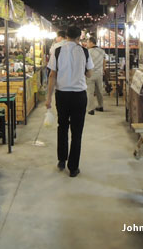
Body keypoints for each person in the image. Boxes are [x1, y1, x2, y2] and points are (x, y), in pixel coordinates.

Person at [46, 25, 93, 178]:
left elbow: (52, 74)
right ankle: (73, 168)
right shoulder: (84, 51)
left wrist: (48, 98)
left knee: (62, 126)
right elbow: (90, 73)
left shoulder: (57, 50)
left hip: (62, 94)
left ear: (66, 36)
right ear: (79, 37)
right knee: (77, 131)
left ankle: (61, 159)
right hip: (79, 95)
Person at [86, 37, 105, 115]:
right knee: (99, 91)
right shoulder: (102, 51)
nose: (87, 44)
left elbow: (85, 63)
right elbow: (104, 62)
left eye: (87, 42)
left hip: (90, 74)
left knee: (90, 92)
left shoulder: (88, 52)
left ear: (91, 42)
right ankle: (101, 106)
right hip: (99, 74)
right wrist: (103, 70)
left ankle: (91, 109)